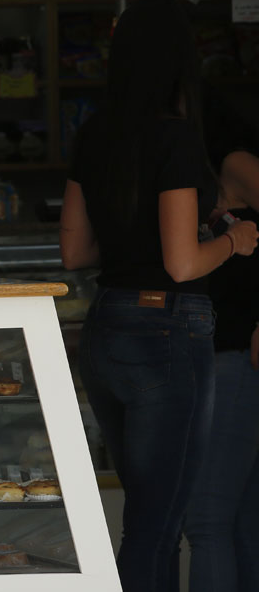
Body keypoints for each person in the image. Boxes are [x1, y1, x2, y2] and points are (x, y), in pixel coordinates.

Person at [59, 0, 258, 592]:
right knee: (158, 524)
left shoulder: (93, 133)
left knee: (144, 517)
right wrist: (237, 241)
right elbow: (181, 263)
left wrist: (138, 240)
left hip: (106, 329)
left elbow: (75, 253)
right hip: (167, 334)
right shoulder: (175, 140)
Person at [184, 98, 259, 592]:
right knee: (238, 521)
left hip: (234, 357)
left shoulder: (231, 157)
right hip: (224, 355)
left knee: (207, 520)